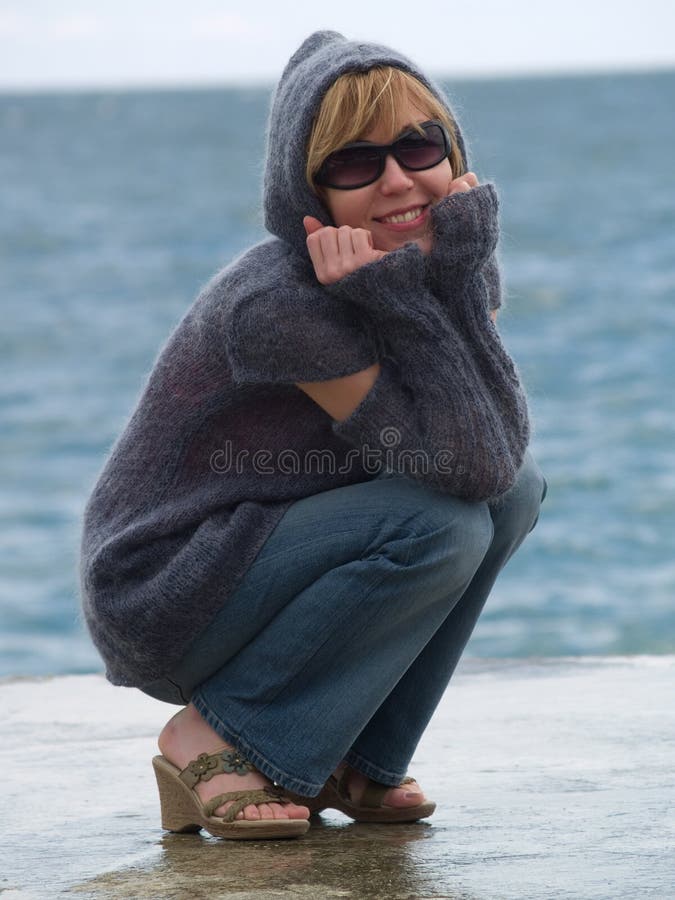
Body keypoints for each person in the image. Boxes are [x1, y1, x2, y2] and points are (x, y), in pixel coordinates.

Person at [80, 30, 546, 840]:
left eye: (417, 145)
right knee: (440, 522)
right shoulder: (278, 305)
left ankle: (362, 762)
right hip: (168, 583)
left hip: (272, 555)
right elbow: (463, 470)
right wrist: (401, 303)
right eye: (353, 163)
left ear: (452, 150)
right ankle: (219, 732)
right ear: (307, 190)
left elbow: (496, 460)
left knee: (514, 492)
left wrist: (456, 282)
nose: (398, 180)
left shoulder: (440, 258)